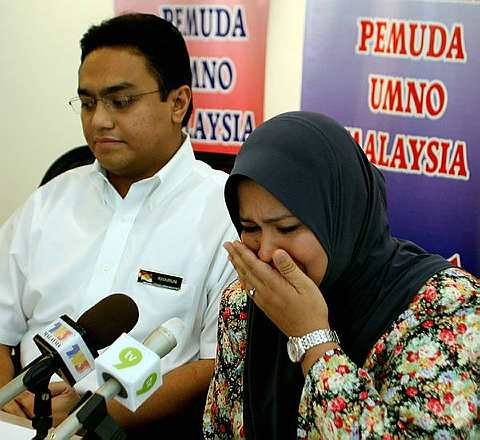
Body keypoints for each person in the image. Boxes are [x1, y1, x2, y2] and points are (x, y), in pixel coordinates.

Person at [0, 13, 236, 434]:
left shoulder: (226, 212)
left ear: (178, 103)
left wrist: (92, 414)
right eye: (88, 103)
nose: (99, 121)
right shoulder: (50, 201)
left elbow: (220, 363)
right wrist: (11, 394)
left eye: (120, 101)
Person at [203, 111, 480, 438]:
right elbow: (220, 429)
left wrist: (312, 338)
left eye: (287, 228)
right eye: (250, 229)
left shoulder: (448, 308)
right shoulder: (245, 300)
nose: (265, 253)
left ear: (340, 217)